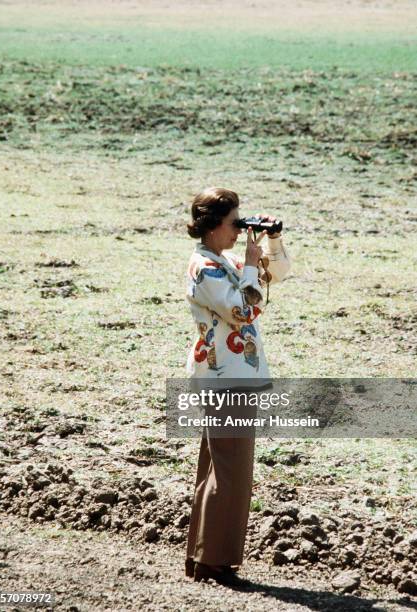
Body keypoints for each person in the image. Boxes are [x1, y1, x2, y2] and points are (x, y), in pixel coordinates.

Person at [184, 186, 291, 585]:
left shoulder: (221, 261)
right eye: (234, 223)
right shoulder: (207, 268)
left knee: (217, 469)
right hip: (226, 381)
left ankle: (203, 556)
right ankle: (214, 562)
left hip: (229, 377)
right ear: (212, 226)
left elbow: (277, 275)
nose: (239, 230)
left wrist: (272, 241)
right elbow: (244, 311)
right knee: (233, 472)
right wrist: (248, 266)